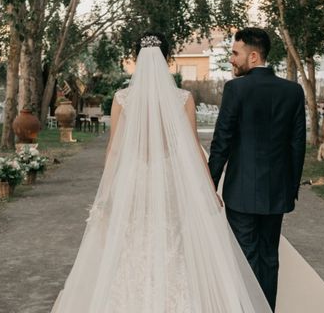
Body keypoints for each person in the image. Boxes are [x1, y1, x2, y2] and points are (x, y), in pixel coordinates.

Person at [51, 33, 271, 312]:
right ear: (167, 60)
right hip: (168, 181)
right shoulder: (182, 99)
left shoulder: (122, 99)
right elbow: (192, 148)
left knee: (130, 241)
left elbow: (114, 151)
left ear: (137, 59)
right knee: (171, 240)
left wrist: (106, 192)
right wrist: (208, 189)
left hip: (133, 180)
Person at [208, 27, 306, 311]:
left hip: (241, 192)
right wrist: (291, 188)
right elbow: (296, 145)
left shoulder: (235, 89)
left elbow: (222, 142)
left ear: (253, 56)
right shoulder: (293, 91)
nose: (231, 60)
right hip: (277, 193)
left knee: (245, 258)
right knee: (269, 258)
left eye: (235, 54)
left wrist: (209, 184)